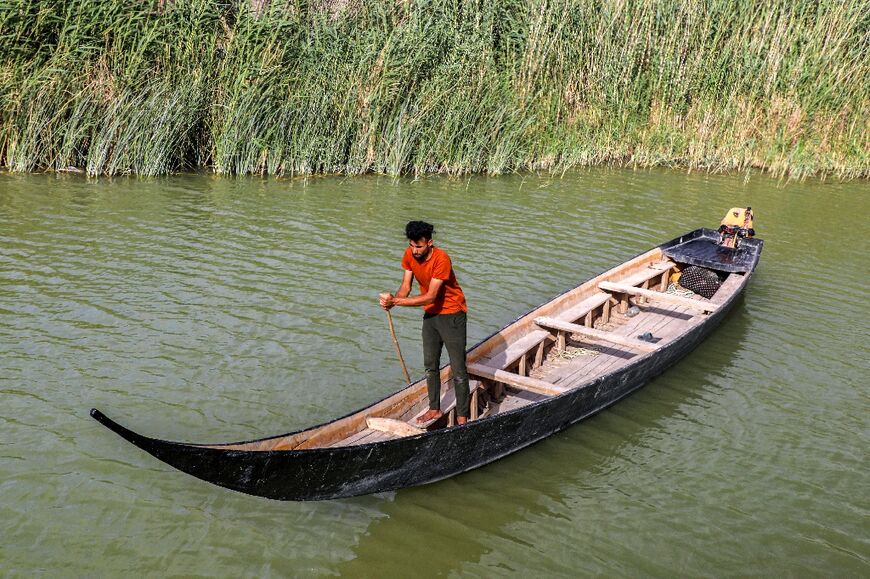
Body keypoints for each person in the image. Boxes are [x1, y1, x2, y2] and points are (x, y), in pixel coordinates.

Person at [379, 221, 470, 426]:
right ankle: (434, 409)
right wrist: (392, 302)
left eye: (419, 246)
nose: (414, 250)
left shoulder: (441, 259)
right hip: (431, 317)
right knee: (430, 366)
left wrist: (397, 301)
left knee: (459, 371)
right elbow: (405, 287)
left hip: (452, 314)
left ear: (430, 242)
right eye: (412, 245)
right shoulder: (409, 255)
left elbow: (430, 297)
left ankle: (463, 418)